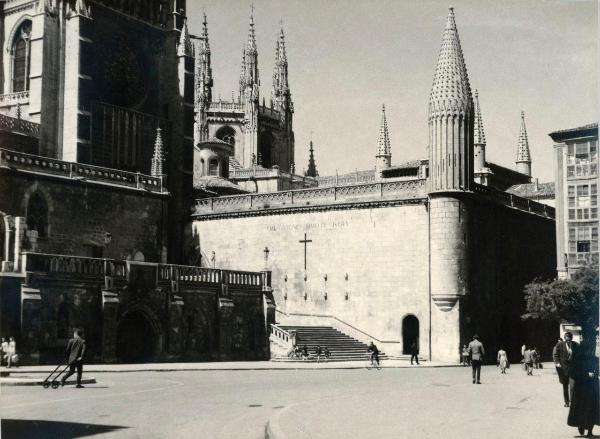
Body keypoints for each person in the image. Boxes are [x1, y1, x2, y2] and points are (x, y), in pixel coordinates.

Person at [567, 339, 599, 437]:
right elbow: (572, 373)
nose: (590, 351)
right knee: (581, 409)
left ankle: (590, 430)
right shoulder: (577, 359)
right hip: (581, 389)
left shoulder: (595, 359)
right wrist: (586, 374)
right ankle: (580, 425)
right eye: (588, 349)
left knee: (592, 409)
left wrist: (595, 374)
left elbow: (598, 370)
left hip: (592, 388)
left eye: (591, 349)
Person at [554, 332, 579, 407]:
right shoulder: (559, 344)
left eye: (570, 339)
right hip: (563, 369)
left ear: (571, 338)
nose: (568, 341)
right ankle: (566, 402)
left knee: (573, 386)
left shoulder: (576, 345)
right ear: (565, 338)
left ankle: (572, 401)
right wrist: (557, 362)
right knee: (565, 386)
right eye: (567, 339)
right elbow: (556, 355)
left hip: (573, 369)